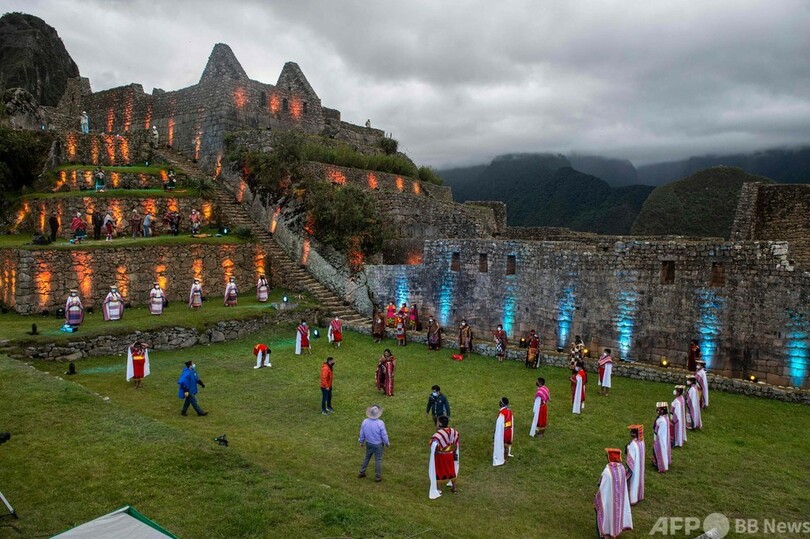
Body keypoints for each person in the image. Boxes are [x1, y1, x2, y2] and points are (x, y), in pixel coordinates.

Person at [594, 448, 633, 538]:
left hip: (609, 500)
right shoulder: (622, 469)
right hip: (619, 500)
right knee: (616, 515)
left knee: (603, 512)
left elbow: (601, 485)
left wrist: (597, 498)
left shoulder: (607, 472)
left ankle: (604, 534)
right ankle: (615, 532)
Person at [428, 415, 460, 499]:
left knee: (439, 471)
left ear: (440, 424)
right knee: (451, 470)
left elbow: (432, 444)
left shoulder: (437, 435)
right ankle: (454, 488)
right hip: (450, 455)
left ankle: (439, 489)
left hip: (440, 456)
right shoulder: (453, 431)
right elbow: (456, 442)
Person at [358, 404, 389, 482]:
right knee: (378, 459)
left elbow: (362, 433)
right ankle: (378, 477)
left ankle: (362, 472)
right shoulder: (380, 423)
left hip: (369, 443)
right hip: (378, 444)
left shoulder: (365, 421)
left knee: (367, 457)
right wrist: (387, 442)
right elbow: (384, 434)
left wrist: (361, 441)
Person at [625, 425, 645, 506]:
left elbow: (630, 459)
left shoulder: (633, 444)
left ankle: (632, 498)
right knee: (638, 480)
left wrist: (628, 447)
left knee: (633, 481)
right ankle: (638, 495)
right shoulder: (642, 442)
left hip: (634, 468)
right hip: (640, 467)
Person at [493, 397, 514, 465]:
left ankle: (502, 459)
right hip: (509, 431)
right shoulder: (509, 411)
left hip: (503, 431)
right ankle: (506, 458)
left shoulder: (502, 413)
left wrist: (495, 433)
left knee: (502, 444)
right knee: (507, 445)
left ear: (502, 404)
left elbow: (499, 425)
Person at [652, 402, 671, 473]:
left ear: (663, 410)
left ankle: (661, 465)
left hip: (659, 438)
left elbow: (661, 434)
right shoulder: (664, 418)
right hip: (657, 436)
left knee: (660, 450)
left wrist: (657, 440)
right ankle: (656, 461)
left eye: (659, 409)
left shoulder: (662, 421)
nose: (658, 410)